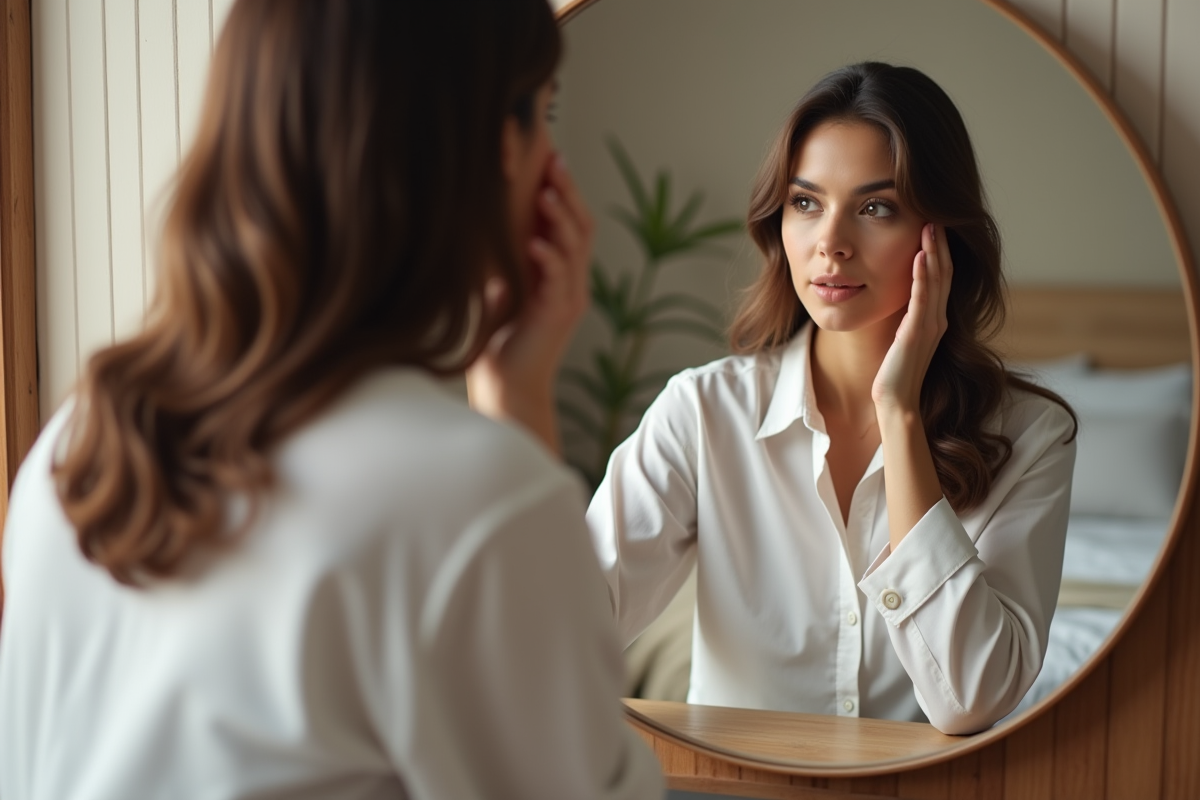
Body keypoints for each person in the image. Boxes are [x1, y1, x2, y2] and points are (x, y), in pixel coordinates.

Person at [0, 2, 663, 798]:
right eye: (543, 115)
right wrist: (519, 407)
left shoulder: (73, 450)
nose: (556, 162)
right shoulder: (474, 500)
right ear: (487, 149)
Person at [583, 62, 1078, 735]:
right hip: (721, 783)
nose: (831, 244)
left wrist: (900, 414)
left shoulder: (1033, 435)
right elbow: (565, 629)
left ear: (941, 234)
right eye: (806, 203)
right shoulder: (702, 412)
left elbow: (971, 698)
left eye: (876, 208)